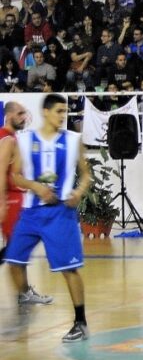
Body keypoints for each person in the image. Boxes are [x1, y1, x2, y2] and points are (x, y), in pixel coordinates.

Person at [6, 94, 91, 342]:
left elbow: (86, 175)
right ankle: (25, 304)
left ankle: (81, 322)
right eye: (58, 111)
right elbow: (16, 175)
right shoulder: (25, 140)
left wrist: (78, 192)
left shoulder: (73, 140)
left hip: (60, 214)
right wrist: (36, 187)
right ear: (45, 112)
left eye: (65, 111)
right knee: (13, 258)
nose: (63, 115)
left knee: (69, 269)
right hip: (31, 213)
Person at [0, 102, 52, 307]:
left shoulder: (9, 138)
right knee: (16, 248)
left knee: (16, 249)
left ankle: (24, 292)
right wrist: (2, 203)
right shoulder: (8, 141)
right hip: (11, 201)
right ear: (9, 115)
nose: (24, 117)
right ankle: (24, 293)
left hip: (15, 199)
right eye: (20, 114)